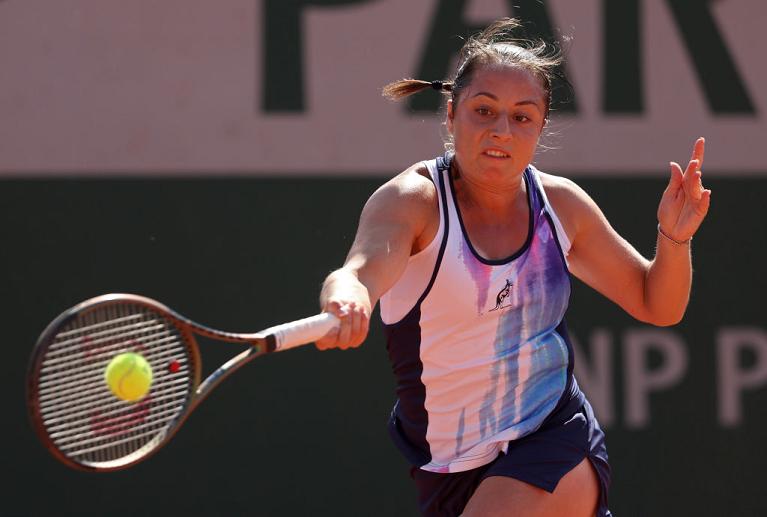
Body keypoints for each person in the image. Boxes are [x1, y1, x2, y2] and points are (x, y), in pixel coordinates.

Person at [316, 18, 710, 517]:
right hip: (447, 468)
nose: (501, 130)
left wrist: (675, 237)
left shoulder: (561, 206)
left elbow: (659, 304)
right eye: (484, 111)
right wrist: (347, 295)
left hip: (552, 439)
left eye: (522, 117)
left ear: (540, 127)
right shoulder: (413, 202)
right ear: (451, 112)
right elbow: (360, 271)